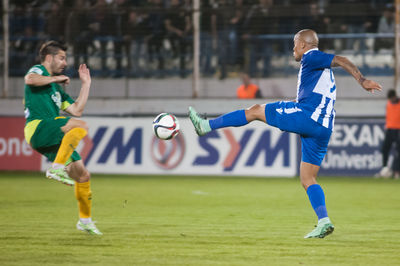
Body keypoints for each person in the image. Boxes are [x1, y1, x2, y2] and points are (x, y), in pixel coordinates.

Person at [188, 29, 382, 238]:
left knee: (254, 111)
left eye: (294, 44)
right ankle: (324, 221)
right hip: (324, 126)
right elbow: (317, 93)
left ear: (303, 45)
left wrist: (362, 81)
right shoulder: (320, 69)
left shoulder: (312, 56)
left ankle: (206, 126)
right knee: (308, 178)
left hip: (308, 117)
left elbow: (342, 59)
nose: (293, 50)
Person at [23, 41, 102, 235]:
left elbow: (77, 110)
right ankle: (56, 168)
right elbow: (30, 80)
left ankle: (85, 221)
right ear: (49, 58)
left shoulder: (57, 89)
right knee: (80, 127)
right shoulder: (39, 70)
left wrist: (86, 84)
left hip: (51, 135)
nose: (65, 62)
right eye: (61, 57)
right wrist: (55, 78)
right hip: (37, 127)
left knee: (83, 175)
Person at [379, 89, 400, 179]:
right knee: (384, 149)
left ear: (395, 97)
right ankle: (385, 169)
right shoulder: (388, 104)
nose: (391, 101)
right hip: (390, 129)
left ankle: (396, 172)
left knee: (398, 152)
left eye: (392, 99)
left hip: (398, 130)